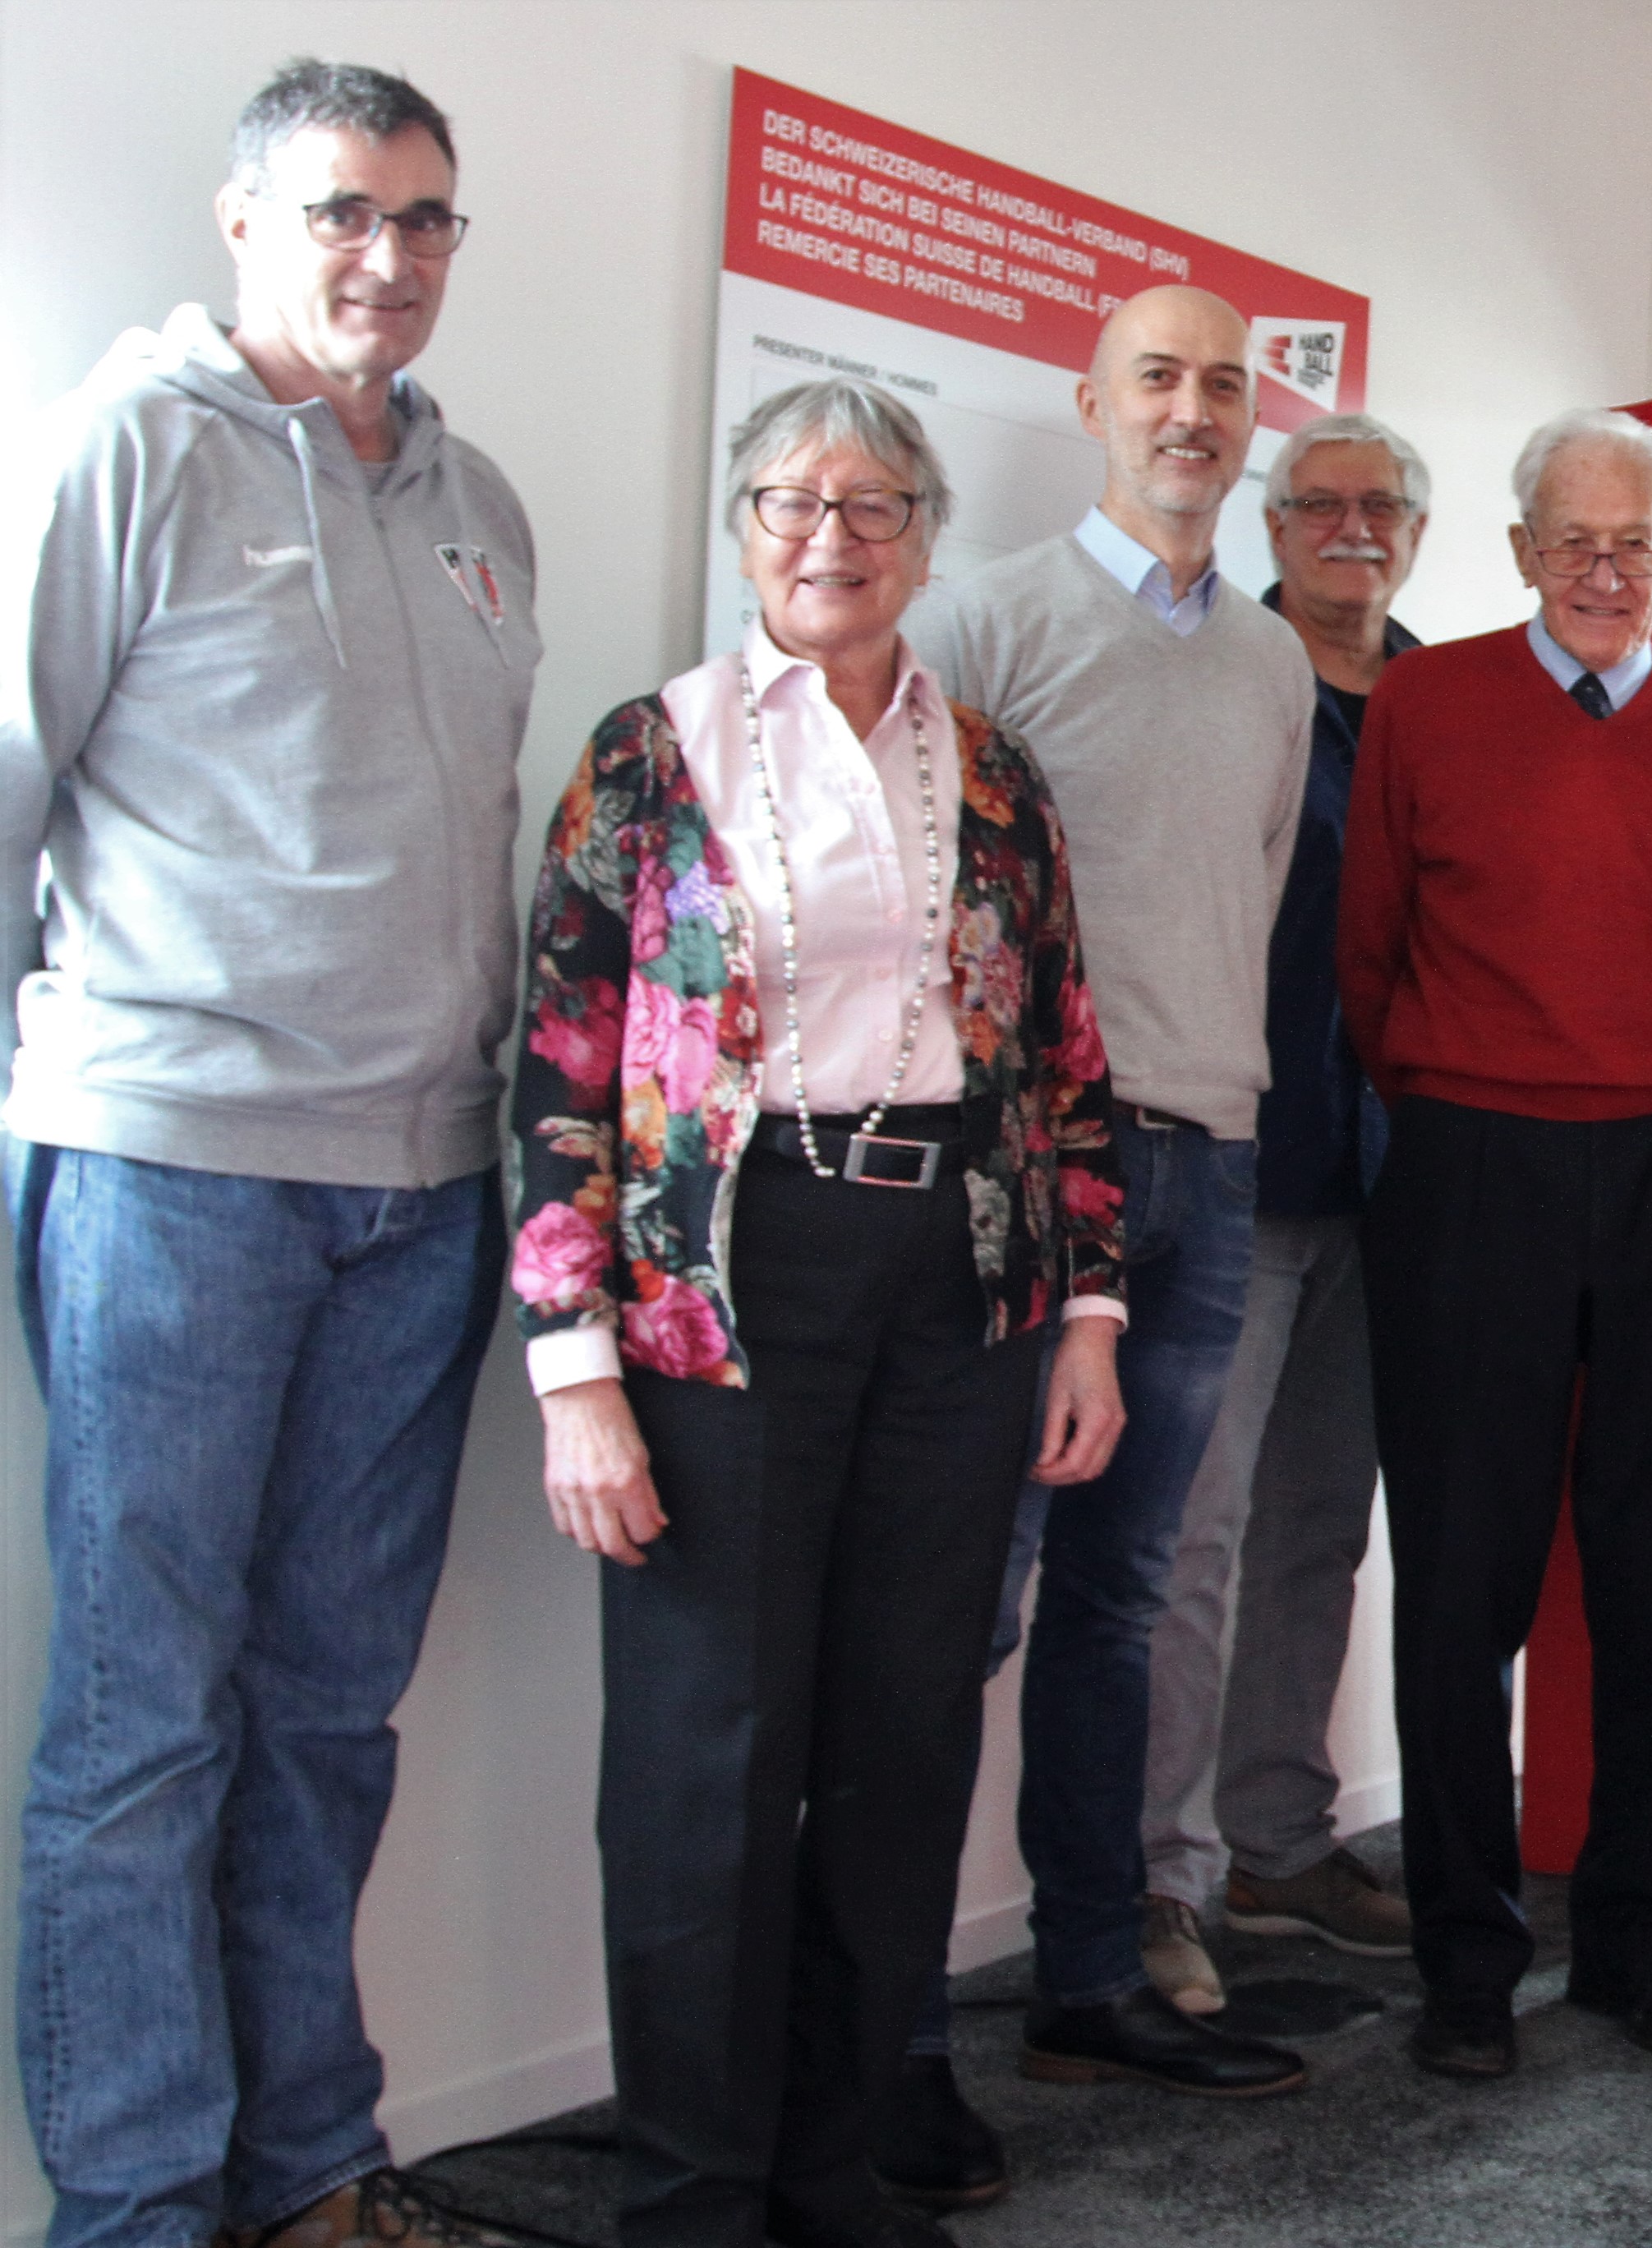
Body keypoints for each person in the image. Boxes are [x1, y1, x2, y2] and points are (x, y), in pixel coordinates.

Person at [2, 62, 538, 2248]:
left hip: (421, 1188)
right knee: (145, 1725)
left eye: (424, 220)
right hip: (175, 1170)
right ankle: (139, 2204)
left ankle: (304, 2165)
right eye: (341, 212)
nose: (385, 259)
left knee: (328, 1713)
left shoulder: (480, 496)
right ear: (244, 223)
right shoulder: (129, 446)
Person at [513, 380, 1128, 2248]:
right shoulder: (652, 754)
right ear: (744, 523)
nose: (831, 538)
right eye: (793, 501)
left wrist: (1086, 1311)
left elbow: (1063, 1053)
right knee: (711, 1752)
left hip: (958, 1275)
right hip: (724, 1283)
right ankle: (697, 2193)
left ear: (926, 535)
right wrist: (574, 1371)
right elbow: (557, 1070)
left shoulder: (999, 768)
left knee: (902, 1737)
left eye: (875, 507)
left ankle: (837, 2164)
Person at [892, 284, 1314, 2186]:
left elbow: (1248, 899)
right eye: (1159, 377)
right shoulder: (984, 614)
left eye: (1226, 385)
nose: (1194, 412)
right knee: (959, 1599)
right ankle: (888, 2034)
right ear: (1092, 405)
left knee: (1124, 1598)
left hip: (1208, 1165)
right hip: (1026, 1169)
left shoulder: (1274, 662)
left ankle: (1086, 1977)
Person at [1341, 408, 1652, 2081]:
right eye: (1572, 540)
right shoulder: (1426, 706)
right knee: (1463, 1589)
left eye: (1638, 541)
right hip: (1470, 1170)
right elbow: (1370, 955)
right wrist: (1472, 1096)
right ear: (1520, 551)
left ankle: (1633, 1953)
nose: (1605, 570)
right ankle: (1465, 1963)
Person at [1134, 413, 1430, 2015]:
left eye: (1380, 504)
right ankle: (1159, 1885)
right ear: (1274, 522)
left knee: (1322, 1530)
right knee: (1194, 1539)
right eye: (1317, 501)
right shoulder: (1225, 674)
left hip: (1391, 1182)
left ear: (1419, 532)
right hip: (1233, 1173)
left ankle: (1278, 1843)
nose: (1349, 525)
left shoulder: (1450, 703)